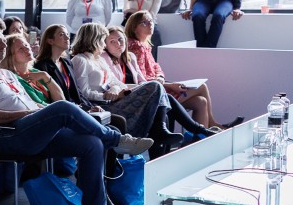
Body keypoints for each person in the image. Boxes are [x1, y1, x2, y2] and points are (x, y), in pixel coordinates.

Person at [0, 29, 153, 205]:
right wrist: (33, 113)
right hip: (6, 136)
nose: (3, 44)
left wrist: (49, 112)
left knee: (92, 143)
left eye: (3, 41)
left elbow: (32, 104)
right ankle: (118, 140)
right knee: (62, 107)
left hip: (30, 130)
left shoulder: (6, 74)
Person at [69, 22, 180, 154]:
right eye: (103, 40)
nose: (104, 44)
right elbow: (83, 93)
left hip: (112, 100)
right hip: (99, 106)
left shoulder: (98, 59)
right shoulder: (80, 60)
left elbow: (115, 82)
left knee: (157, 91)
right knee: (155, 86)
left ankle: (160, 135)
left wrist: (115, 90)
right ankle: (162, 130)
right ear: (94, 40)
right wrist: (105, 96)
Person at [124, 11, 241, 130]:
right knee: (202, 87)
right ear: (134, 28)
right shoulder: (136, 47)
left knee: (200, 102)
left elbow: (156, 67)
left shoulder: (145, 46)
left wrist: (160, 77)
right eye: (144, 22)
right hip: (154, 94)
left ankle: (201, 136)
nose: (150, 24)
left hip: (160, 86)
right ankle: (212, 125)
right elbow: (143, 80)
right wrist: (170, 85)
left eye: (151, 21)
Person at [103, 26, 215, 140]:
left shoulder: (130, 57)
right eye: (112, 42)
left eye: (120, 39)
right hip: (123, 100)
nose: (118, 44)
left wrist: (158, 79)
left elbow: (143, 80)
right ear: (105, 45)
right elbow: (114, 84)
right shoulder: (105, 58)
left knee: (187, 99)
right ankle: (199, 130)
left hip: (140, 95)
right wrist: (159, 85)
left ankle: (196, 133)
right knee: (164, 93)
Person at [1, 34, 64, 106]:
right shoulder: (14, 79)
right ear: (10, 57)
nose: (27, 49)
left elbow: (61, 99)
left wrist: (45, 76)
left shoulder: (35, 72)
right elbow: (38, 107)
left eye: (26, 45)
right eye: (21, 49)